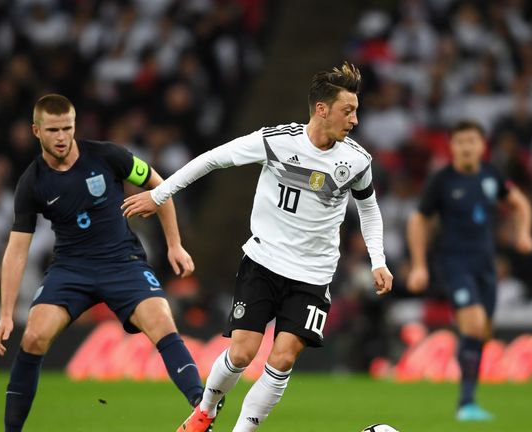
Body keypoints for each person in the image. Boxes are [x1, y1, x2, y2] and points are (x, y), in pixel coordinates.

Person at [122, 62, 393, 432]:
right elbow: (213, 158)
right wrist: (159, 193)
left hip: (313, 275)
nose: (355, 120)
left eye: (357, 111)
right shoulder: (277, 141)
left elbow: (369, 208)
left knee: (282, 360)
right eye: (349, 110)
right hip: (263, 261)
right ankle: (206, 410)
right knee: (242, 352)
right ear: (322, 109)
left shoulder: (357, 160)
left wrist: (379, 259)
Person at [0, 94, 205, 431]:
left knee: (163, 321)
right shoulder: (31, 183)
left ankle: (202, 409)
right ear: (36, 131)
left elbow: (158, 185)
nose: (62, 137)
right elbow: (17, 249)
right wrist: (6, 313)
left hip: (123, 262)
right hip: (70, 269)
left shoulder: (107, 156)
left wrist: (174, 245)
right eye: (53, 130)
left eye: (67, 128)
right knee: (33, 336)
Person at [406, 120, 532, 422]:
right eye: (460, 142)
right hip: (454, 264)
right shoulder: (442, 181)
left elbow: (519, 203)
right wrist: (419, 266)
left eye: (472, 141)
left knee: (482, 333)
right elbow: (418, 220)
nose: (466, 147)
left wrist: (524, 233)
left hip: (486, 267)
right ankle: (466, 404)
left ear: (481, 145)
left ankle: (469, 399)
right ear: (451, 147)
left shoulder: (492, 175)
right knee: (474, 325)